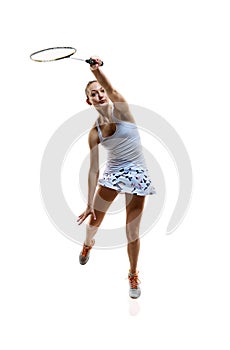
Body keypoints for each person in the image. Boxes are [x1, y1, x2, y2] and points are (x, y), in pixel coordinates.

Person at [77, 57, 156, 299]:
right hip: (113, 174)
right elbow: (93, 170)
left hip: (137, 174)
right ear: (88, 100)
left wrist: (96, 71)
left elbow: (111, 88)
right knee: (93, 224)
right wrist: (89, 203)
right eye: (94, 93)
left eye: (101, 90)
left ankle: (132, 274)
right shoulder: (94, 132)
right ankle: (88, 243)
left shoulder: (121, 109)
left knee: (132, 232)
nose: (100, 94)